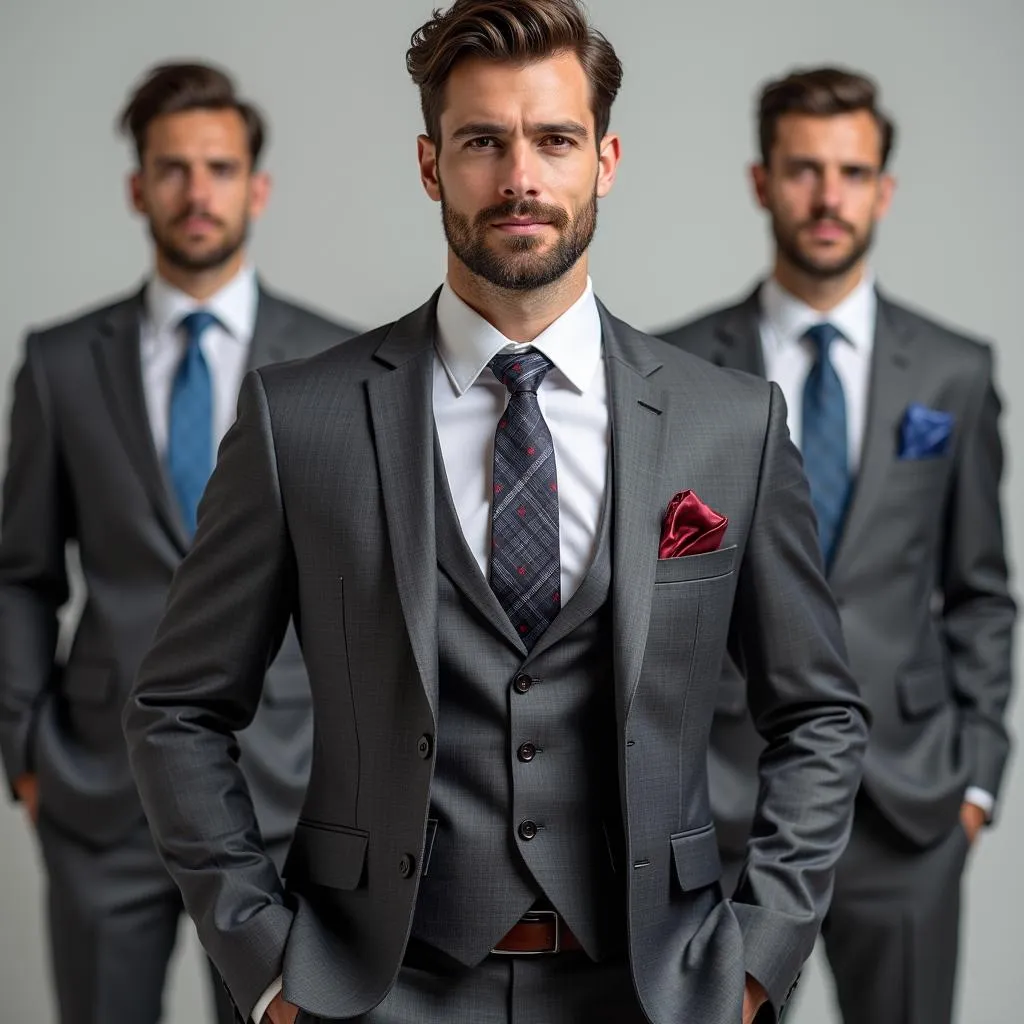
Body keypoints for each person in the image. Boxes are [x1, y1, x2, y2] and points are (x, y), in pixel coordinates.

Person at [123, 8, 868, 1024]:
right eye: (483, 142)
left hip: (651, 989)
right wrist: (264, 962)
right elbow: (178, 709)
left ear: (604, 159)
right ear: (431, 165)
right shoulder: (298, 418)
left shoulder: (727, 423)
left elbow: (818, 711)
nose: (520, 176)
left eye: (554, 139)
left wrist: (755, 959)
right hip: (374, 988)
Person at [0, 61, 356, 1024]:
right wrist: (24, 748)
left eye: (219, 167)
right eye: (172, 169)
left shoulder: (338, 366)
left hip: (285, 791)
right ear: (136, 187)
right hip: (99, 792)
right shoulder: (62, 364)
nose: (197, 193)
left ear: (257, 186)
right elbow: (20, 575)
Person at [660, 66, 1016, 1024]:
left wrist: (978, 776)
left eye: (852, 173)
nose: (828, 196)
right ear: (761, 180)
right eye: (805, 169)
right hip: (725, 803)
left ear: (883, 191)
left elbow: (981, 590)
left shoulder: (954, 374)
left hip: (907, 808)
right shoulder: (677, 369)